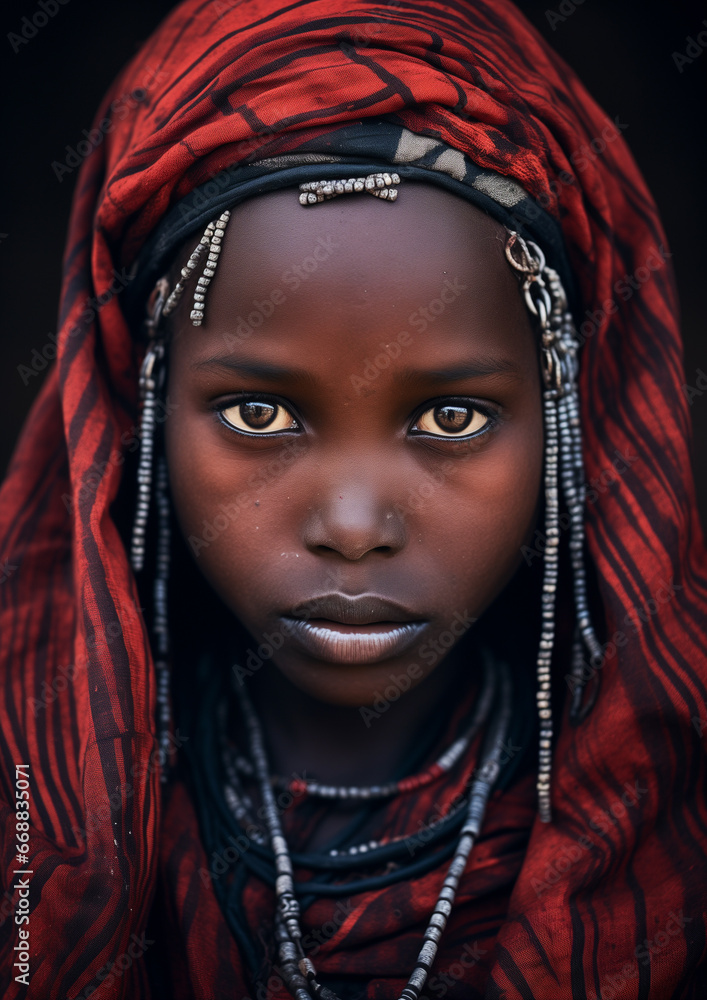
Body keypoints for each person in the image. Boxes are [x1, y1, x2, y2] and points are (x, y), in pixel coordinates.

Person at [0, 1, 705, 998]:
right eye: (257, 413)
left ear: (565, 415)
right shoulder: (30, 787)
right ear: (142, 403)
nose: (351, 528)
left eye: (450, 420)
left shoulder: (678, 812)